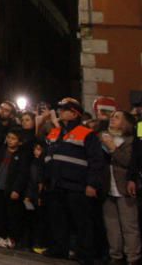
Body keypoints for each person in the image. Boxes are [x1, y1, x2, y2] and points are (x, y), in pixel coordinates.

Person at [43, 97, 106, 264]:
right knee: (58, 219)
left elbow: (96, 161)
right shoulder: (55, 132)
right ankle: (60, 249)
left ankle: (85, 254)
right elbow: (48, 156)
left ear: (74, 113)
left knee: (82, 222)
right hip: (56, 184)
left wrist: (92, 184)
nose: (60, 112)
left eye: (64, 110)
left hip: (76, 185)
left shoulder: (87, 134)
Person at [100, 110, 139, 265]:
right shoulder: (104, 137)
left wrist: (113, 148)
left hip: (124, 188)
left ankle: (133, 257)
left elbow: (129, 162)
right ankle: (115, 256)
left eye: (117, 117)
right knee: (112, 226)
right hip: (108, 188)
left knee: (129, 226)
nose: (112, 120)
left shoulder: (131, 141)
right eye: (112, 117)